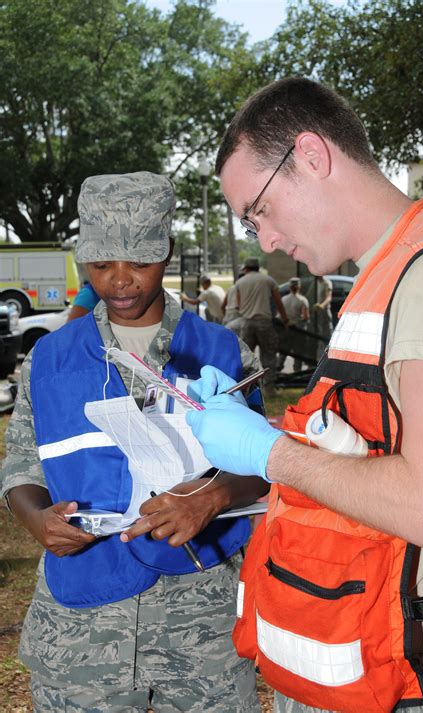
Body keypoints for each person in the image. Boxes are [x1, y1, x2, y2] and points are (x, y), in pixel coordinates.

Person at [185, 78, 423, 713]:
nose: (263, 240)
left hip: (417, 676)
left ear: (312, 157)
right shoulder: (387, 272)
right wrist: (254, 425)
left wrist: (270, 456)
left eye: (258, 210)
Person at [0, 171, 267, 712]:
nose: (120, 281)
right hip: (82, 632)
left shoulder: (222, 353)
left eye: (139, 263)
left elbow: (267, 465)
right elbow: (21, 465)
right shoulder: (49, 360)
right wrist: (37, 520)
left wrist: (212, 496)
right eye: (100, 266)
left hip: (200, 622)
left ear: (166, 251)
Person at [236, 256, 289, 395]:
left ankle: (244, 389)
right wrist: (285, 319)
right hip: (264, 323)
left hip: (246, 323)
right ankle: (269, 389)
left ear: (246, 268)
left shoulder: (240, 282)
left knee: (245, 358)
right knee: (269, 356)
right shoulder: (268, 280)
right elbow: (278, 302)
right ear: (258, 267)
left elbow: (237, 305)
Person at [277, 276, 310, 372]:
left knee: (283, 352)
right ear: (299, 287)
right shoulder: (303, 300)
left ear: (289, 287)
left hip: (286, 329)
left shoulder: (284, 299)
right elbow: (305, 317)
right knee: (298, 353)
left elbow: (279, 316)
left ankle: (278, 371)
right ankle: (297, 372)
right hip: (298, 331)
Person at [313, 275, 333, 360]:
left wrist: (322, 306)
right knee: (319, 336)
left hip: (324, 312)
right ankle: (320, 358)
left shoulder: (327, 283)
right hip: (317, 313)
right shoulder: (315, 283)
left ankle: (329, 357)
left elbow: (329, 297)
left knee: (327, 334)